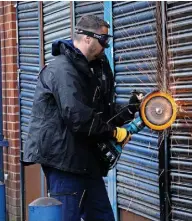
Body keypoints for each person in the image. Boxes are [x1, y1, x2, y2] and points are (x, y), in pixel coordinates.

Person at [22, 15, 142, 221]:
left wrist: (129, 110)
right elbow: (77, 116)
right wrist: (114, 132)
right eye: (104, 40)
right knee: (68, 216)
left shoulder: (94, 67)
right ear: (87, 38)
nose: (107, 45)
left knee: (103, 217)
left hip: (86, 160)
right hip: (65, 162)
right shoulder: (62, 70)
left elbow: (100, 112)